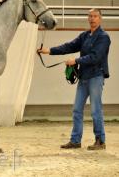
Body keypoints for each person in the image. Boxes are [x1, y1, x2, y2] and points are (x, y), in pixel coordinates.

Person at [38, 8, 111, 150]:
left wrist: (76, 61)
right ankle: (75, 141)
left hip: (96, 76)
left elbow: (95, 57)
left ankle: (100, 141)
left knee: (96, 109)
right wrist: (50, 51)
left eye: (95, 16)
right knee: (77, 109)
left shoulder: (104, 37)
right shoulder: (84, 36)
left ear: (100, 19)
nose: (92, 19)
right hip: (84, 77)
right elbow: (70, 46)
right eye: (90, 16)